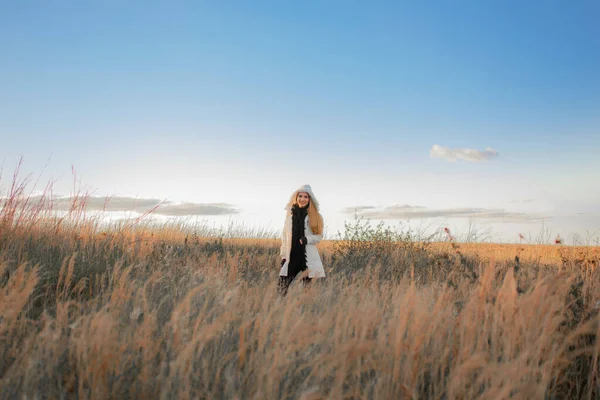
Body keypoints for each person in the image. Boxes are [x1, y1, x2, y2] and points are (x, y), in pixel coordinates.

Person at [278, 184, 325, 296]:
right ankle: (281, 308)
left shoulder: (315, 216)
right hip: (292, 256)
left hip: (307, 257)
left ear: (310, 199)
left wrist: (306, 239)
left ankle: (305, 310)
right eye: (300, 196)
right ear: (296, 197)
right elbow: (285, 237)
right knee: (281, 286)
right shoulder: (289, 215)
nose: (302, 199)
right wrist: (284, 256)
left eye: (306, 197)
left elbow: (319, 236)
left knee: (307, 291)